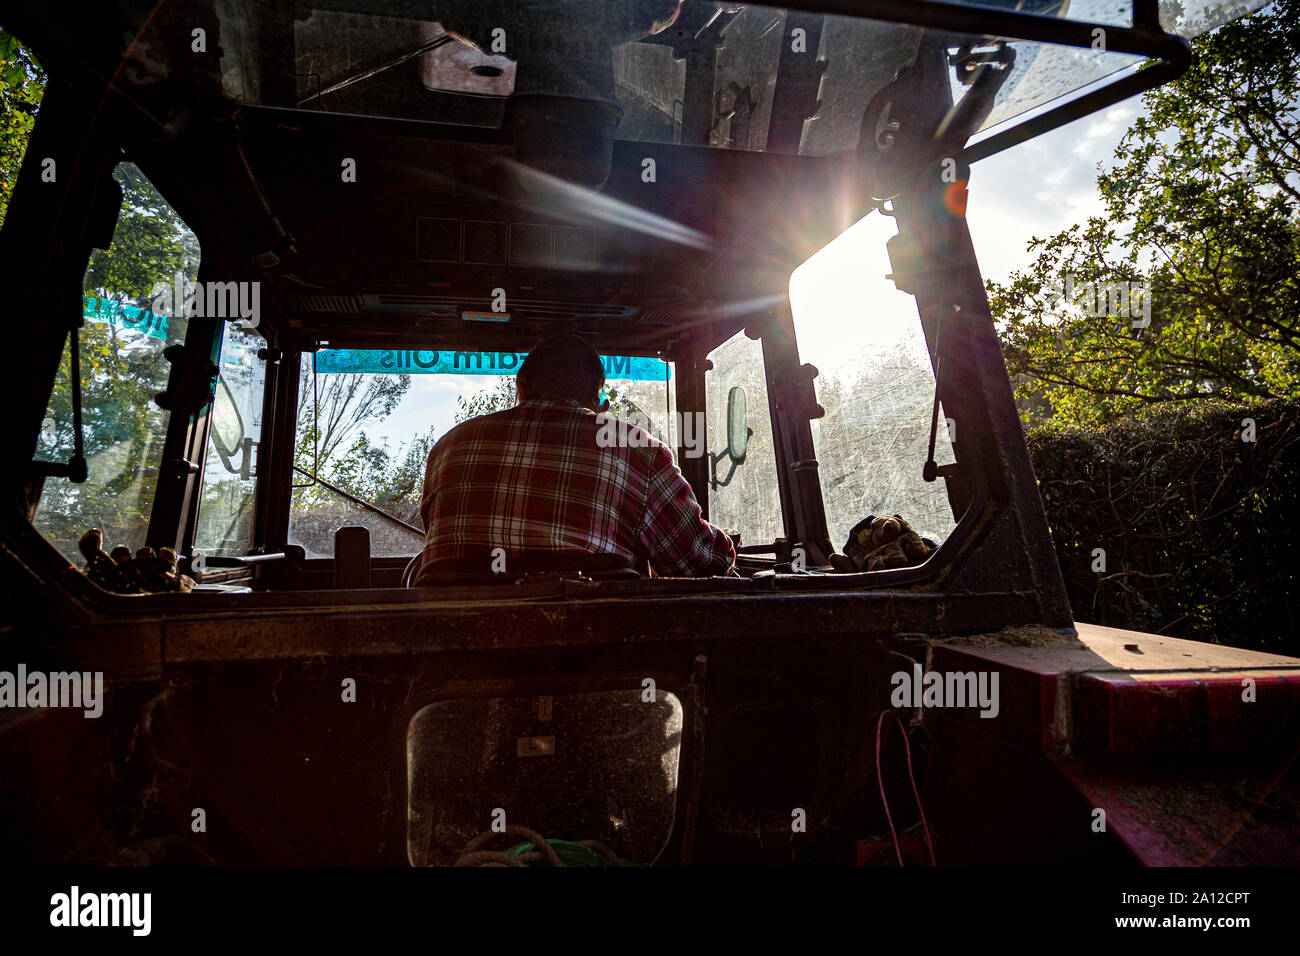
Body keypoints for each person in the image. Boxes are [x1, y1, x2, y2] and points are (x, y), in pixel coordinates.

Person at [415, 333, 736, 583]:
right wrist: (725, 545)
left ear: (521, 389)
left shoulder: (448, 448)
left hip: (455, 647)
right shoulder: (639, 451)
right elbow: (697, 565)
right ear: (597, 404)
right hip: (603, 648)